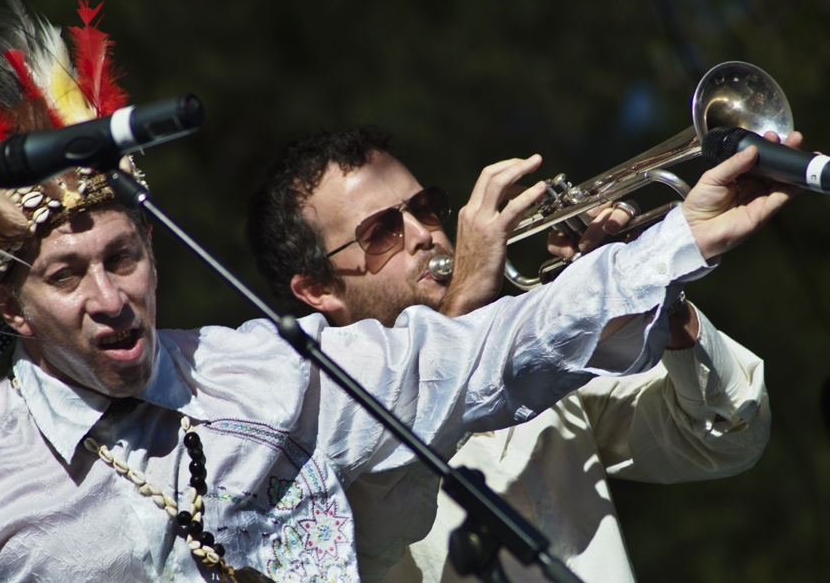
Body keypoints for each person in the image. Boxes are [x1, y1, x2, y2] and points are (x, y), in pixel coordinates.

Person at [0, 0, 796, 583]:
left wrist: (666, 260)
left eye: (123, 259)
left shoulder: (258, 375)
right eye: (66, 275)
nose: (109, 297)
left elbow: (717, 436)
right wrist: (475, 310)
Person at [245, 128, 799, 582]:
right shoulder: (306, 427)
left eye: (424, 208)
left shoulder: (546, 339)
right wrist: (462, 315)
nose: (423, 234)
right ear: (316, 291)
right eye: (381, 231)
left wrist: (651, 290)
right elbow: (371, 538)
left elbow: (726, 436)